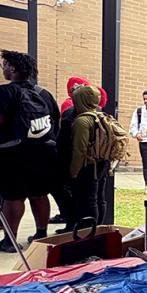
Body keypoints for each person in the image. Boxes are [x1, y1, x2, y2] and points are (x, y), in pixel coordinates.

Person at [0, 50, 60, 252]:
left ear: (12, 69)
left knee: (13, 197)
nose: (3, 68)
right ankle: (41, 235)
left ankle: (10, 241)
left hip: (13, 152)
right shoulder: (44, 94)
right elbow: (55, 123)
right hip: (45, 152)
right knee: (40, 194)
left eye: (4, 65)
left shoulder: (4, 92)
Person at [49, 76, 91, 229]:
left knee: (57, 186)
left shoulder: (71, 111)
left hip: (70, 157)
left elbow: (65, 139)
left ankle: (72, 222)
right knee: (88, 196)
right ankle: (82, 224)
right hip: (92, 161)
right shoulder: (98, 112)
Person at [68, 85, 109, 229]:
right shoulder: (102, 116)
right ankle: (98, 228)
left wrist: (74, 170)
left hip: (88, 166)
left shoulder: (82, 121)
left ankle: (89, 232)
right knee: (100, 198)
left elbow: (80, 149)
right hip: (103, 163)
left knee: (89, 201)